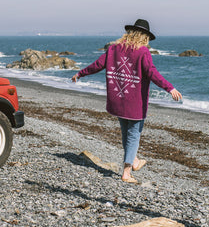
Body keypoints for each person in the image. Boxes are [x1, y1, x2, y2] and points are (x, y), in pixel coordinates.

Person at [72, 19, 182, 183]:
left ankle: (135, 160)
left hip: (117, 100)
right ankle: (126, 172)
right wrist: (170, 88)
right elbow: (152, 73)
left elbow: (97, 65)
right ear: (144, 37)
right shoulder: (143, 52)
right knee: (133, 136)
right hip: (134, 103)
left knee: (126, 134)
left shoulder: (114, 49)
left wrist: (80, 73)